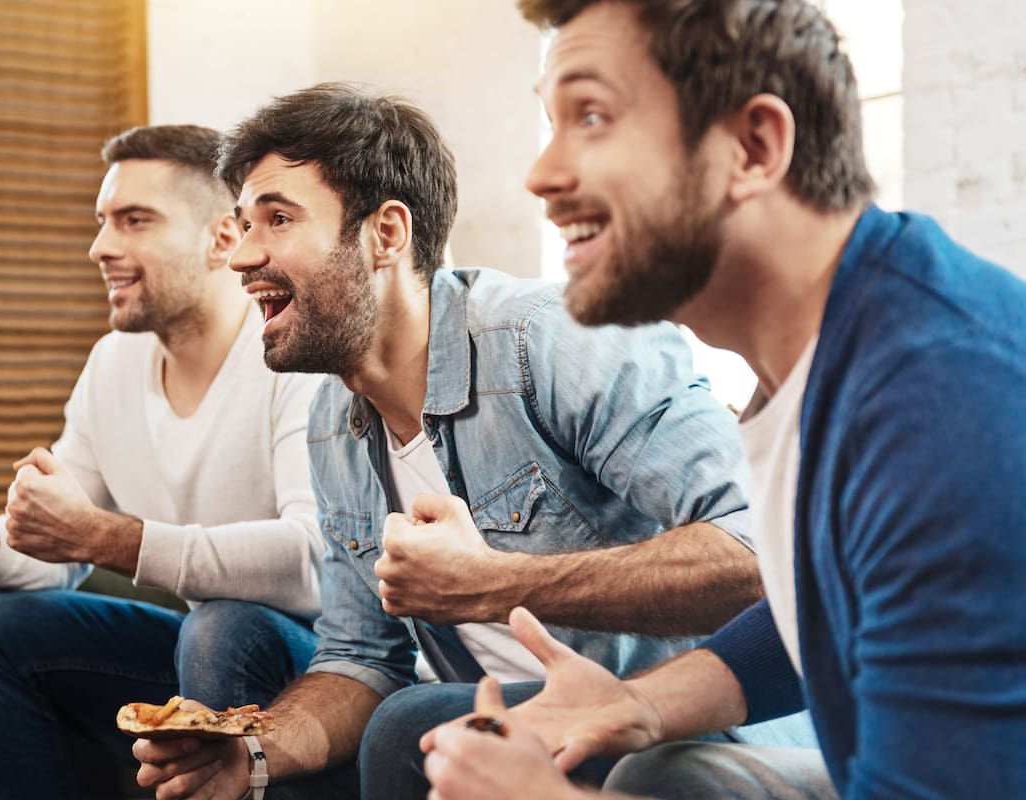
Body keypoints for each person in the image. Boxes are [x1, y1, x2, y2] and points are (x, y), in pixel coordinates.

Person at [132, 83, 812, 800]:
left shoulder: (556, 339)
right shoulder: (334, 420)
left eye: (277, 219)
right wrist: (258, 752)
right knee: (312, 747)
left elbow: (763, 552)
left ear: (386, 235)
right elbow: (361, 659)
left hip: (682, 727)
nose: (241, 256)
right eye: (241, 225)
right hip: (500, 727)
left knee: (412, 724)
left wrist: (492, 585)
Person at [421, 1, 1026, 798]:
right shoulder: (826, 349)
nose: (542, 175)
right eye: (551, 123)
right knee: (662, 771)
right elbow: (827, 604)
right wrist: (635, 701)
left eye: (593, 116)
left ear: (753, 147)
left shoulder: (939, 407)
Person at [0, 124, 325, 800]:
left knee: (221, 624)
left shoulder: (290, 356)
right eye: (102, 222)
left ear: (223, 238)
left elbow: (316, 561)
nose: (101, 247)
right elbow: (62, 552)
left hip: (317, 672)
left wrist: (115, 539)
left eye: (134, 221)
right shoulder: (114, 364)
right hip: (199, 655)